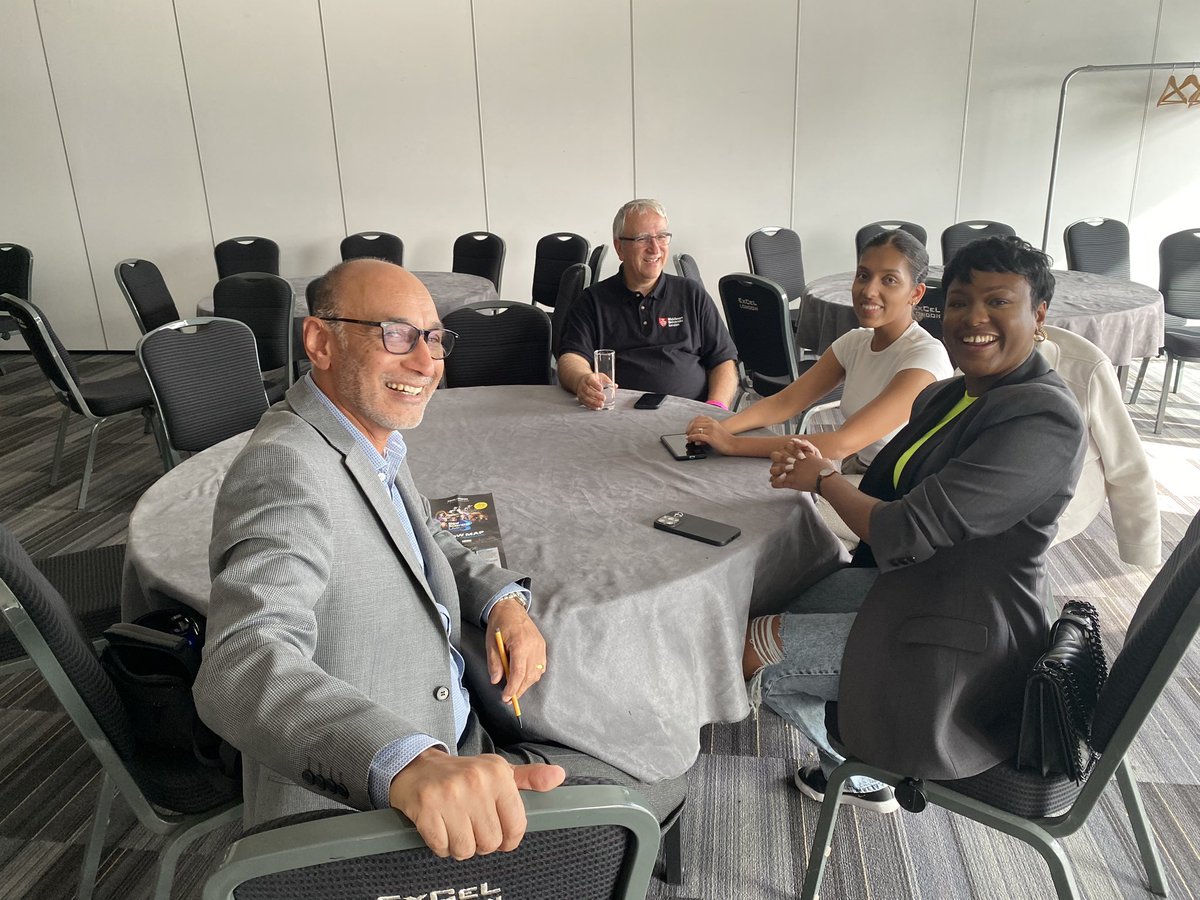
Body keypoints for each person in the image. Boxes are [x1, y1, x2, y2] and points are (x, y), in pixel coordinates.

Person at [193, 259, 684, 858]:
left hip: (460, 721)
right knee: (656, 787)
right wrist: (406, 765)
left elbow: (430, 537)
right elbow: (240, 663)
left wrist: (504, 600)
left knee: (646, 736)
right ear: (320, 342)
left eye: (433, 339)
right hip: (380, 812)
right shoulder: (288, 468)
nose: (426, 364)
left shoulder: (366, 438)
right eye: (395, 335)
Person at [742, 236, 1086, 812]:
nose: (974, 318)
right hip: (916, 590)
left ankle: (861, 769)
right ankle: (854, 761)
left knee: (744, 649)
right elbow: (887, 490)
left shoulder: (1042, 415)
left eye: (998, 302)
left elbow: (903, 530)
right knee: (766, 596)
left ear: (1039, 315)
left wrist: (824, 479)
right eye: (960, 302)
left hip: (966, 638)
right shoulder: (953, 394)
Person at [685, 229, 952, 471]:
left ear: (916, 294)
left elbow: (840, 443)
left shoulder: (925, 357)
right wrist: (720, 427)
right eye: (863, 276)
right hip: (861, 470)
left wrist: (732, 445)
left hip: (903, 490)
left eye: (889, 280)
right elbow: (785, 402)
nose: (869, 290)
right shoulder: (855, 342)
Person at [557, 198, 739, 409]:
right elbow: (571, 358)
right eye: (643, 238)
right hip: (618, 419)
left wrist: (716, 409)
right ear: (620, 248)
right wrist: (582, 380)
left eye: (661, 237)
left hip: (691, 418)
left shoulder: (691, 294)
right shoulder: (593, 301)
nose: (655, 248)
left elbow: (724, 360)